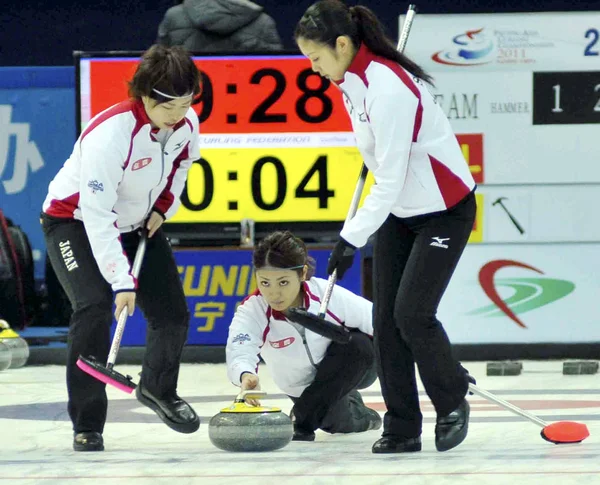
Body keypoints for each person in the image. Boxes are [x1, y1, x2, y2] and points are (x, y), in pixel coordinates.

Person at [295, 0, 477, 454]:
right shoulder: (349, 83)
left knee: (412, 313)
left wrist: (350, 236)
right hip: (400, 211)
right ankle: (402, 425)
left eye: (316, 59)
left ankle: (452, 397)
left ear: (342, 44)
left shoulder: (388, 89)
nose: (314, 70)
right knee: (385, 321)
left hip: (443, 208)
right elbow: (380, 163)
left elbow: (391, 180)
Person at [40, 44, 202, 452]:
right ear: (146, 97)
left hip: (138, 223)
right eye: (170, 106)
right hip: (72, 221)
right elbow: (96, 216)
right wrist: (121, 280)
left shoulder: (186, 124)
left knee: (172, 314)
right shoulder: (110, 136)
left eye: (187, 103)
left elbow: (183, 164)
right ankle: (88, 423)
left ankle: (158, 389)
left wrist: (164, 206)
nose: (179, 115)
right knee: (93, 307)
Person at [226, 230, 382, 441]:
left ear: (301, 274)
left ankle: (301, 419)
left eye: (283, 282)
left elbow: (378, 321)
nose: (273, 294)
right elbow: (240, 347)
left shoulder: (325, 294)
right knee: (333, 420)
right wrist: (245, 374)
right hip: (302, 386)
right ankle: (364, 416)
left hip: (353, 368)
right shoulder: (253, 309)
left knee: (361, 345)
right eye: (264, 283)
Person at [157, 0, 283, 53]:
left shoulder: (174, 17)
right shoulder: (263, 22)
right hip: (247, 104)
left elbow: (156, 71)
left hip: (187, 105)